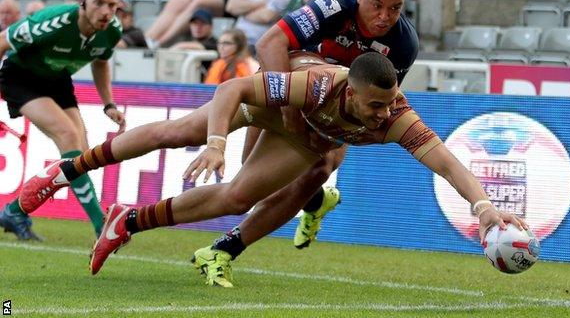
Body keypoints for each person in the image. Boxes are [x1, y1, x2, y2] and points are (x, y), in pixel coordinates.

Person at [18, 52, 528, 283]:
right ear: (351, 90)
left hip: (308, 140)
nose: (383, 114)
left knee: (238, 198)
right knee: (182, 132)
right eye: (374, 105)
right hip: (268, 110)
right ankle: (65, 170)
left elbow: (445, 161)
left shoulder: (394, 116)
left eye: (389, 104)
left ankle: (127, 221)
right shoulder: (320, 85)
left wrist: (483, 206)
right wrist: (217, 141)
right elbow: (233, 88)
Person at [191, 0, 419, 287]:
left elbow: (381, 97)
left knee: (321, 167)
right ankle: (314, 201)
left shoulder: (402, 42)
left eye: (393, 8)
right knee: (255, 180)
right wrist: (289, 110)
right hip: (289, 89)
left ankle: (224, 250)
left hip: (338, 103)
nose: (384, 16)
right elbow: (272, 45)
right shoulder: (315, 4)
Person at [0, 0, 126, 240]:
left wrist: (108, 103)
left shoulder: (112, 30)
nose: (106, 12)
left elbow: (101, 62)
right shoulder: (50, 22)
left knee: (80, 156)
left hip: (57, 80)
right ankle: (100, 226)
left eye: (112, 5)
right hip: (21, 77)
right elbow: (2, 42)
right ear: (82, 3)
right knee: (68, 137)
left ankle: (14, 210)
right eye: (99, 3)